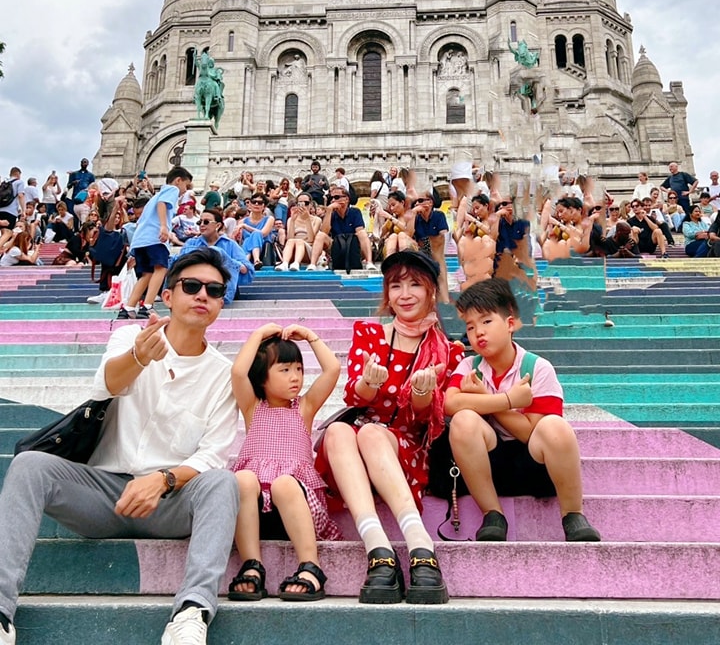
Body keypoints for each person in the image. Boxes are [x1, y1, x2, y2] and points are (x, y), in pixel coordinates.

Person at [0, 248, 240, 645]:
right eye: (192, 286)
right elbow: (108, 384)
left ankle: (192, 610)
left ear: (219, 305)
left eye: (214, 291)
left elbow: (211, 455)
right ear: (168, 295)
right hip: (102, 493)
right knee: (29, 466)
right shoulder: (131, 336)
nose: (202, 296)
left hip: (169, 501)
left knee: (223, 483)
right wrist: (139, 357)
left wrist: (161, 480)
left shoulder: (223, 375)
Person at [316, 250, 465, 605]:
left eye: (415, 284)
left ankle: (420, 546)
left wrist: (422, 394)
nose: (405, 294)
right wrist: (369, 382)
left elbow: (426, 423)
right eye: (396, 285)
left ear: (432, 291)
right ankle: (378, 551)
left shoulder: (448, 351)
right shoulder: (369, 333)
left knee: (370, 433)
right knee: (340, 431)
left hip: (405, 452)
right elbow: (354, 394)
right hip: (350, 453)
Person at [445, 278, 601, 544]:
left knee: (556, 427)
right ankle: (493, 514)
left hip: (534, 464)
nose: (478, 333)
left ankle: (573, 515)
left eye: (486, 321)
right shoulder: (469, 366)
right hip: (488, 462)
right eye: (470, 327)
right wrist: (506, 400)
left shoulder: (538, 368)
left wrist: (485, 398)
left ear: (510, 324)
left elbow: (531, 431)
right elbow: (450, 403)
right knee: (463, 420)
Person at [228, 323, 341, 602]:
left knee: (284, 484)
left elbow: (333, 370)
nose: (296, 377)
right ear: (262, 378)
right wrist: (257, 335)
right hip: (255, 515)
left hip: (296, 510)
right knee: (242, 479)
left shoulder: (304, 408)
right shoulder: (253, 408)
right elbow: (237, 372)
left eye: (299, 369)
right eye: (284, 370)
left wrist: (310, 336)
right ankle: (252, 566)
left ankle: (310, 566)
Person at [118, 166, 194, 320]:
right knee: (161, 269)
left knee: (146, 274)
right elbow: (162, 204)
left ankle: (129, 307)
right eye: (186, 186)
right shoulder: (171, 190)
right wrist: (164, 226)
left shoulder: (155, 196)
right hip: (155, 238)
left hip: (141, 240)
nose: (185, 191)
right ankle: (147, 306)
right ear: (178, 180)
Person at [179, 208, 254, 302]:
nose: (202, 225)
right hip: (195, 290)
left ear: (218, 225)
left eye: (206, 222)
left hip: (223, 289)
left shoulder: (230, 244)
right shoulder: (191, 243)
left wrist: (227, 260)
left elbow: (247, 270)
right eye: (199, 222)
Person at [307, 186, 376, 271]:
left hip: (353, 245)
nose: (333, 200)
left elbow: (359, 231)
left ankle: (369, 262)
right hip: (337, 245)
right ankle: (312, 264)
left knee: (362, 233)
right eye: (331, 197)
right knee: (321, 235)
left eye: (336, 197)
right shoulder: (331, 215)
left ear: (346, 199)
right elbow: (324, 232)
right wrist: (329, 211)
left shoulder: (355, 212)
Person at [406, 192, 450, 302]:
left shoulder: (438, 215)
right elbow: (409, 234)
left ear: (430, 202)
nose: (417, 204)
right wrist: (413, 214)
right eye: (415, 202)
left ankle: (443, 299)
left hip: (437, 249)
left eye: (420, 201)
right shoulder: (416, 218)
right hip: (422, 250)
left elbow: (443, 235)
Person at [276, 195, 321, 271]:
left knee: (299, 241)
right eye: (300, 203)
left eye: (306, 203)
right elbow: (290, 238)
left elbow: (311, 239)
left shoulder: (317, 220)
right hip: (292, 248)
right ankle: (285, 263)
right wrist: (293, 221)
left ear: (310, 205)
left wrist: (307, 220)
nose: (303, 206)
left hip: (309, 250)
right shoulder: (291, 219)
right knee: (291, 241)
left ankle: (296, 263)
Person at [0, 168, 26, 250]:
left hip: (1, 209)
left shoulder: (4, 183)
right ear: (18, 174)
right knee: (8, 233)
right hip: (10, 211)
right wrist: (23, 210)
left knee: (4, 233)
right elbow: (21, 195)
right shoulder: (19, 182)